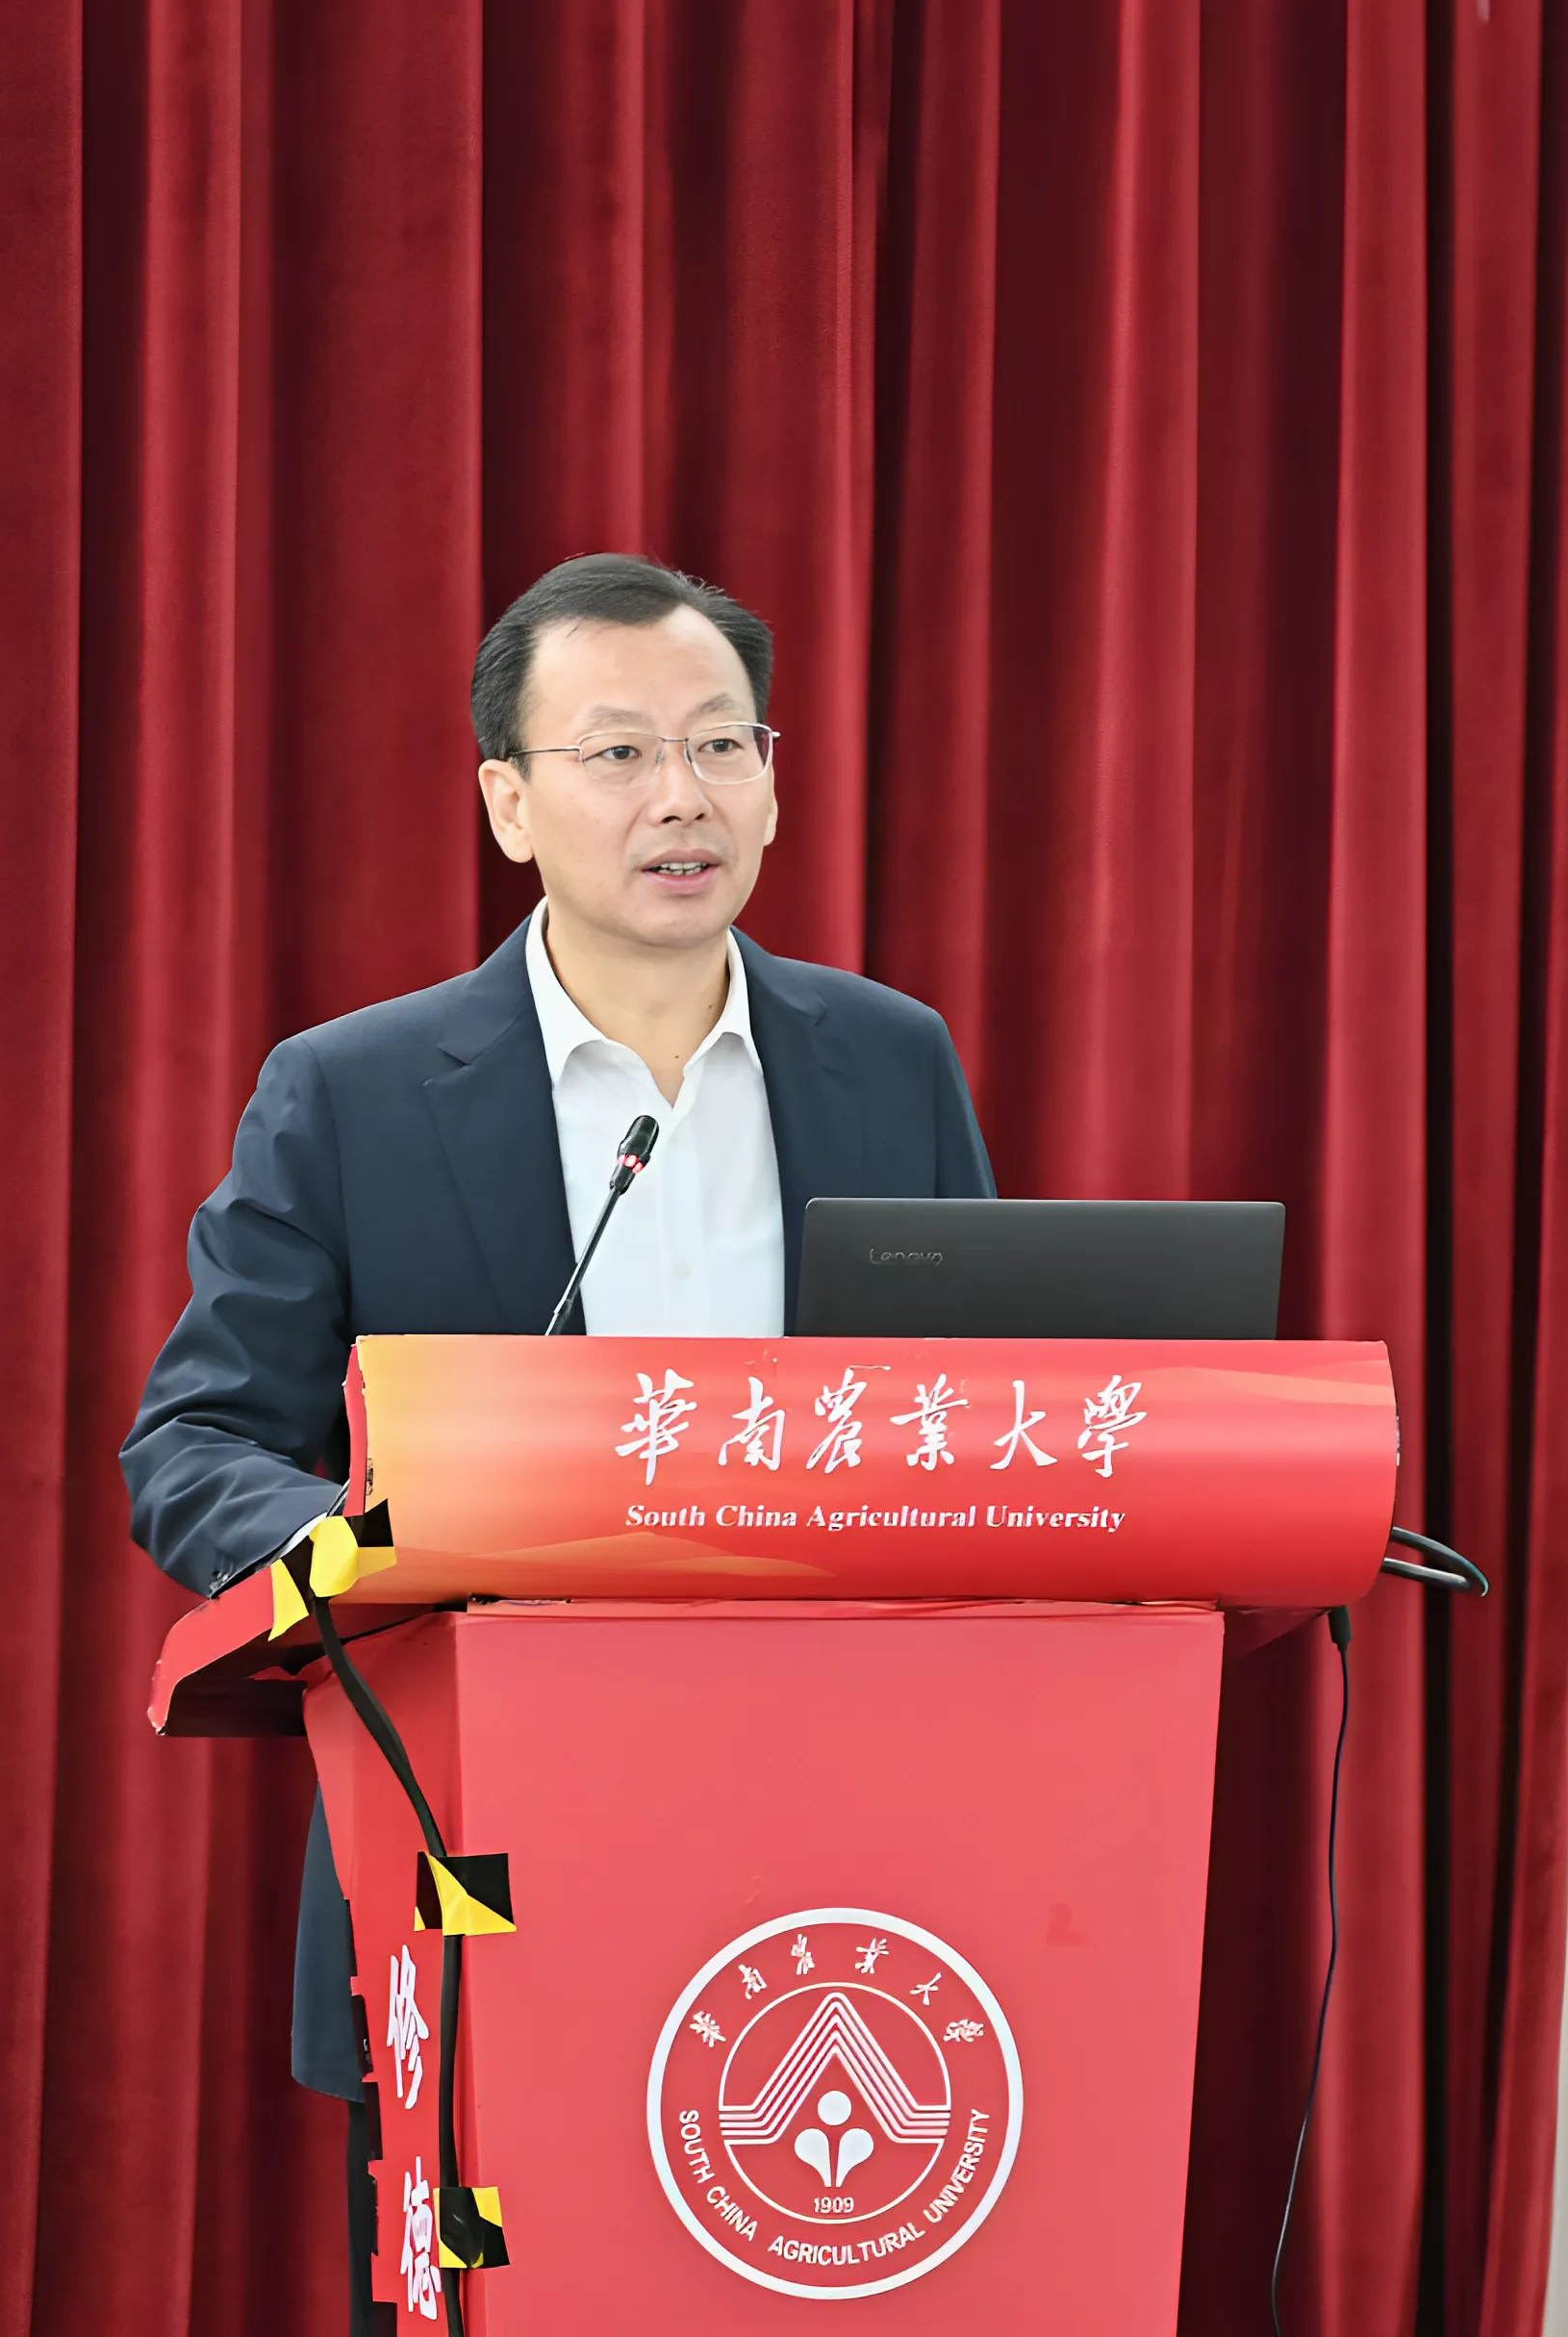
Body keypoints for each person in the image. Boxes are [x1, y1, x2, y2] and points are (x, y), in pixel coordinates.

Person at [122, 551, 995, 2329]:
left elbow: (983, 1419)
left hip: (850, 1862)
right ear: (507, 804)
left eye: (720, 745)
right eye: (616, 754)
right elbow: (197, 1437)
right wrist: (388, 1544)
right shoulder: (353, 1093)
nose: (681, 796)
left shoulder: (887, 1062)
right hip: (487, 1853)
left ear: (772, 783)